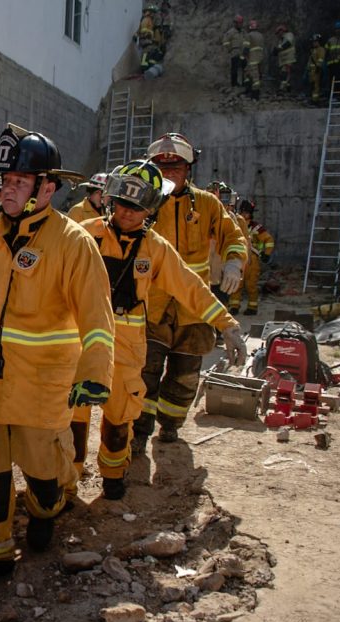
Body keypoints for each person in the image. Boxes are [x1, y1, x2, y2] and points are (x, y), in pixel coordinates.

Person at [0, 123, 115, 595]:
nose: (7, 189)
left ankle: (46, 512)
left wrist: (95, 375)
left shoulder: (73, 244)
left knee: (45, 477)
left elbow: (97, 319)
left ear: (48, 187)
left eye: (18, 182)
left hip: (41, 387)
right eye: (4, 180)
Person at [72, 162, 247, 500]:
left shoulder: (155, 248)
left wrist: (228, 324)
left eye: (136, 207)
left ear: (151, 209)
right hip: (81, 339)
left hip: (127, 344)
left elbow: (190, 288)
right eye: (122, 203)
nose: (127, 213)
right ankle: (68, 477)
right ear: (110, 199)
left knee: (120, 413)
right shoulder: (83, 234)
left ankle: (112, 473)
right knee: (73, 412)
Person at [132, 133, 248, 453]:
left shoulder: (207, 204)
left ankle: (170, 426)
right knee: (146, 369)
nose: (169, 173)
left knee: (185, 374)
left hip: (194, 307)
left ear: (189, 169)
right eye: (161, 166)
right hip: (151, 304)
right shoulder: (144, 202)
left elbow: (232, 237)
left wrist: (234, 264)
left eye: (176, 167)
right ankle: (139, 430)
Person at [229, 198, 275, 315]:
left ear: (251, 214)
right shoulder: (235, 224)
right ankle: (234, 306)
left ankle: (252, 307)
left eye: (247, 212)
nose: (244, 215)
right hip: (238, 257)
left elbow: (268, 240)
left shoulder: (256, 228)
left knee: (251, 285)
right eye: (242, 212)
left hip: (252, 260)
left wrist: (267, 253)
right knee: (236, 284)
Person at [222, 15, 248, 88]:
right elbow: (225, 41)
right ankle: (234, 84)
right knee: (234, 69)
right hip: (235, 53)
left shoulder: (243, 32)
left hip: (243, 53)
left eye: (241, 23)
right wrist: (230, 49)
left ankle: (244, 83)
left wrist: (246, 48)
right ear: (235, 23)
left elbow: (247, 41)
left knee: (244, 68)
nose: (240, 24)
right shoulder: (231, 32)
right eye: (238, 23)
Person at [243, 19, 265, 100]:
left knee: (254, 76)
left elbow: (246, 48)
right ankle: (250, 90)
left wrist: (243, 57)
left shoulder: (249, 35)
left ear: (250, 27)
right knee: (250, 73)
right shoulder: (261, 35)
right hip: (260, 57)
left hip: (252, 58)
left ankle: (255, 95)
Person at [272, 25, 296, 92]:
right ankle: (288, 87)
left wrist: (279, 48)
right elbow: (280, 48)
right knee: (284, 73)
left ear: (281, 31)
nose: (277, 35)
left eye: (278, 33)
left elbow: (288, 43)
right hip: (284, 60)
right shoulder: (281, 40)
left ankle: (282, 88)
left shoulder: (288, 35)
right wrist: (275, 52)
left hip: (289, 58)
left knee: (285, 73)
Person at [325, 21, 340, 88]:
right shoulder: (330, 40)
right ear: (335, 30)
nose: (338, 30)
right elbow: (325, 51)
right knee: (331, 79)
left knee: (339, 79)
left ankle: (339, 94)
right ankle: (332, 95)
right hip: (331, 64)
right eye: (337, 29)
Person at [307, 34, 327, 104]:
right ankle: (312, 99)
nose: (314, 43)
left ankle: (315, 100)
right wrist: (307, 69)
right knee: (312, 86)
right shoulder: (312, 50)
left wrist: (318, 67)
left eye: (315, 41)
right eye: (313, 42)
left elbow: (321, 59)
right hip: (311, 72)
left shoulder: (321, 49)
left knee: (316, 86)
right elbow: (309, 61)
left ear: (319, 42)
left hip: (316, 71)